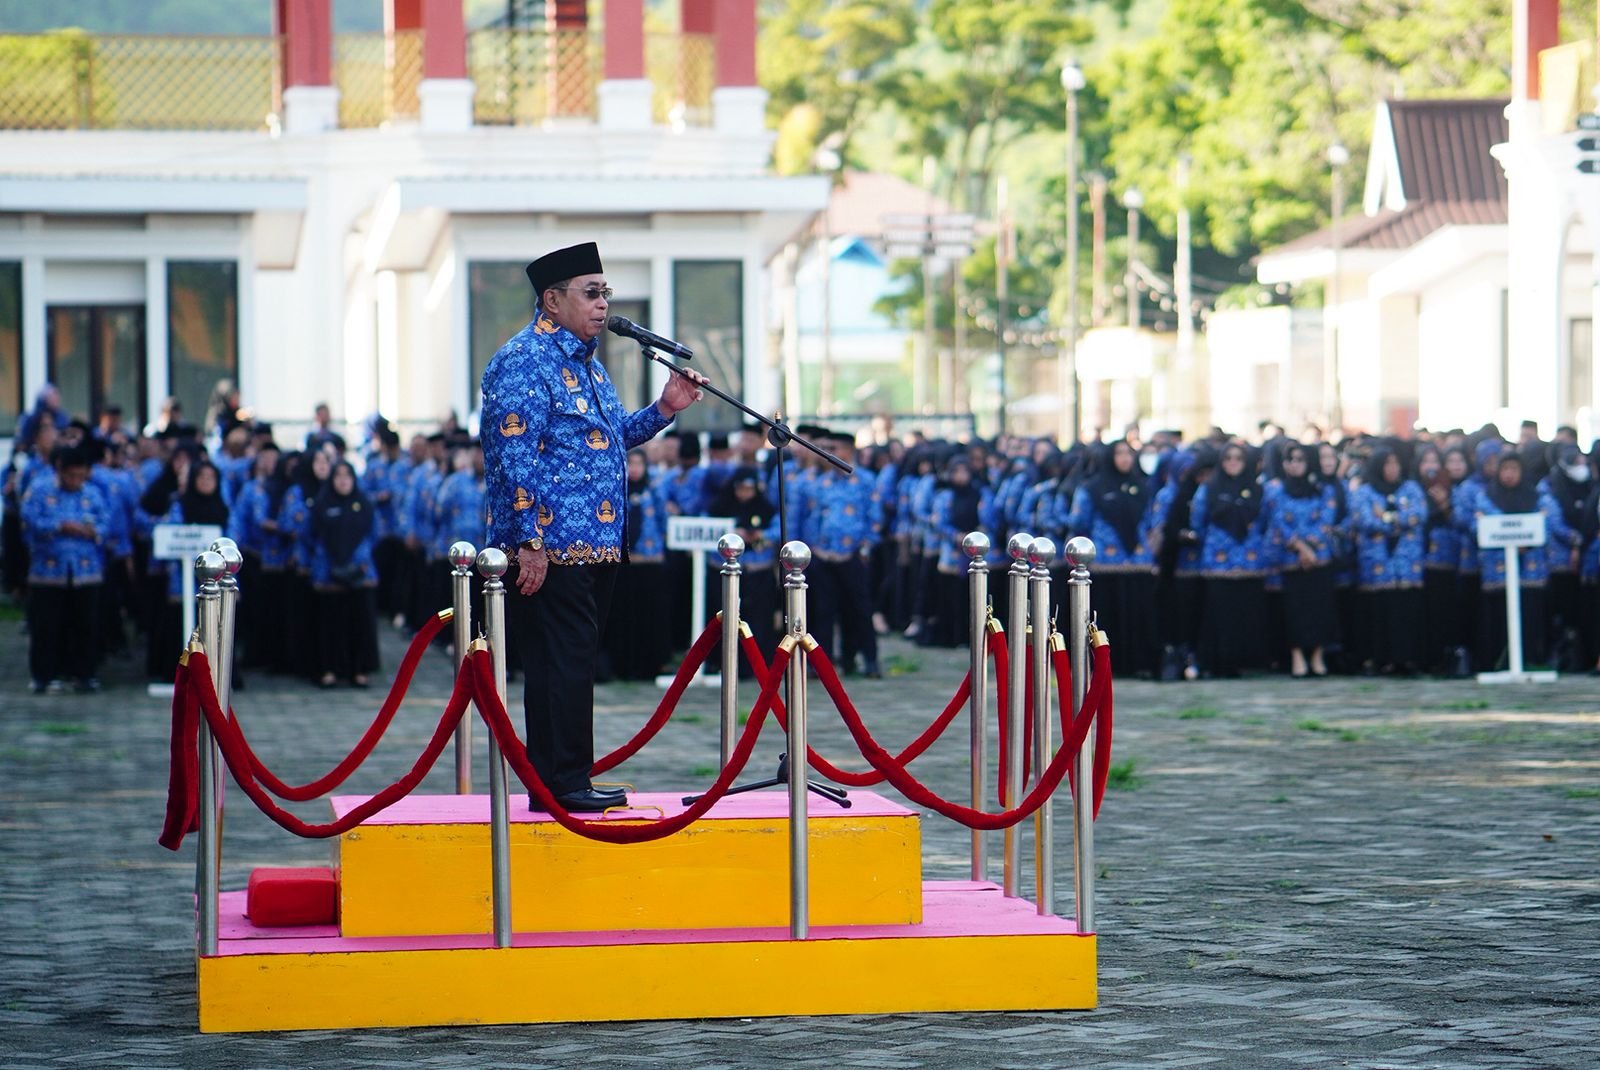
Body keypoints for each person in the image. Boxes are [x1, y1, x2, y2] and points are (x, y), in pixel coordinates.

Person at [479, 241, 705, 812]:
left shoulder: (589, 364)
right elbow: (514, 457)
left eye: (605, 292)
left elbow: (608, 441)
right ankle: (562, 783)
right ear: (552, 300)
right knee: (560, 664)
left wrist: (665, 408)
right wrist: (529, 541)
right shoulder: (524, 360)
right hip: (550, 546)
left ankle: (560, 780)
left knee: (573, 664)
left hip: (597, 544)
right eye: (591, 292)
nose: (603, 303)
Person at [21, 445, 108, 693]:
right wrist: (59, 526)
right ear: (60, 470)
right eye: (71, 475)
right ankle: (44, 676)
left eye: (81, 475)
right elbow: (29, 520)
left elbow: (105, 522)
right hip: (48, 571)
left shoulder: (92, 493)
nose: (76, 480)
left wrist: (91, 530)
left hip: (85, 571)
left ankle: (83, 675)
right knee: (47, 626)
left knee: (84, 625)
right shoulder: (40, 490)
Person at [1264, 442, 1338, 677]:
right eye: (1290, 460)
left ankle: (1317, 654)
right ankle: (1296, 654)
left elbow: (1326, 519)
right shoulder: (1277, 491)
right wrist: (1301, 547)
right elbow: (1278, 521)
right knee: (1294, 609)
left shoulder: (1323, 490)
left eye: (1300, 460)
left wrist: (1311, 547)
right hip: (1291, 557)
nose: (1295, 465)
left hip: (1319, 557)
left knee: (1319, 607)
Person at [310, 461, 380, 688]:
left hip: (360, 573)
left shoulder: (364, 504)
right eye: (338, 476)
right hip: (329, 573)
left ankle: (359, 670)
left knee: (360, 622)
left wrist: (358, 561)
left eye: (347, 475)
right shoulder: (322, 505)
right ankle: (329, 669)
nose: (343, 480)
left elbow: (374, 535)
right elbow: (311, 536)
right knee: (330, 623)